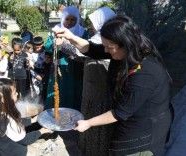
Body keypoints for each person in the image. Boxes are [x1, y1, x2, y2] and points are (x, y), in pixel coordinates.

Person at [55, 16, 172, 155]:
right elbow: (93, 50)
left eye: (108, 47)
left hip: (142, 136)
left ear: (124, 43)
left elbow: (120, 112)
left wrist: (88, 123)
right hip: (129, 121)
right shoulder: (126, 52)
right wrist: (71, 38)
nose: (105, 51)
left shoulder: (146, 73)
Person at [0, 78, 52, 156]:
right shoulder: (7, 121)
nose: (17, 93)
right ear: (3, 98)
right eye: (14, 93)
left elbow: (17, 120)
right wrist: (42, 131)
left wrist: (33, 120)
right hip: (14, 152)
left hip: (4, 149)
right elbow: (25, 140)